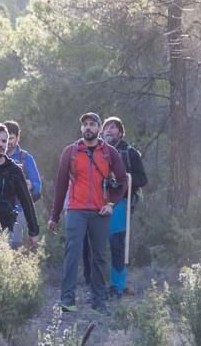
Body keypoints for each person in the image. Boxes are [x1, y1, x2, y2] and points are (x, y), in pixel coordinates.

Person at [48, 112, 127, 315]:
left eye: (92, 124)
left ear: (99, 128)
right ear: (81, 128)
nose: (88, 128)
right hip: (76, 209)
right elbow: (60, 185)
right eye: (85, 125)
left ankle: (98, 300)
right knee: (72, 253)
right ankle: (67, 300)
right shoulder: (70, 152)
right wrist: (54, 216)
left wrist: (111, 203)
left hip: (100, 212)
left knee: (99, 256)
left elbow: (122, 182)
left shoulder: (110, 153)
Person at [83, 116, 148, 297]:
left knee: (117, 244)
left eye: (113, 128)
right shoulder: (96, 151)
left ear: (120, 131)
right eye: (106, 128)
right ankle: (96, 286)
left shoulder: (130, 152)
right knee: (95, 246)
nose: (109, 131)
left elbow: (142, 179)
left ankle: (117, 287)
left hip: (120, 203)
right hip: (96, 203)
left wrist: (124, 177)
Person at [3, 120, 42, 248]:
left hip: (18, 211)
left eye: (12, 138)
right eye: (5, 138)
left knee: (14, 248)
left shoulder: (25, 158)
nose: (8, 142)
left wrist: (29, 185)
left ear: (18, 137)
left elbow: (38, 187)